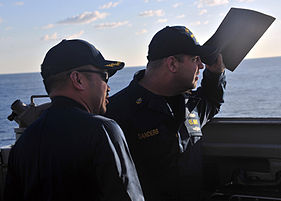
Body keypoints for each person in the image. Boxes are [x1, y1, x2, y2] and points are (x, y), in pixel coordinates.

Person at [4, 39, 144, 201]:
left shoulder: (23, 145)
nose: (108, 87)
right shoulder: (102, 130)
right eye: (104, 77)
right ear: (78, 79)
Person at [105, 26, 226, 201]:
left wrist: (216, 73)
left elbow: (212, 101)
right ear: (172, 64)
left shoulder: (191, 105)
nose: (201, 65)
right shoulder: (116, 114)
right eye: (195, 59)